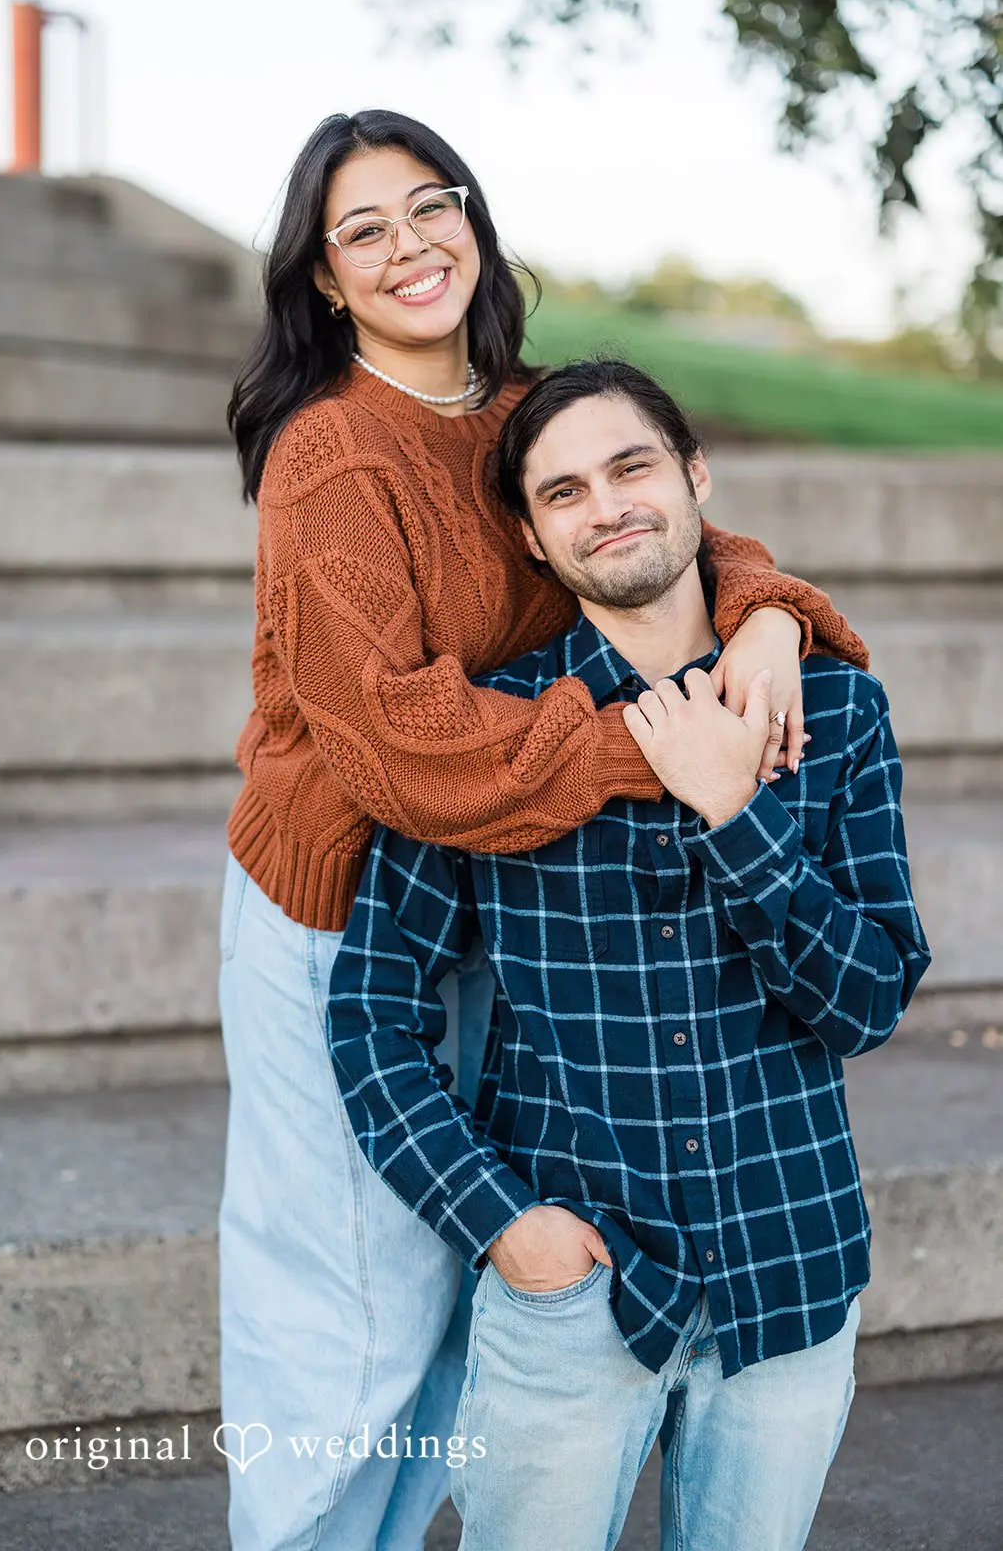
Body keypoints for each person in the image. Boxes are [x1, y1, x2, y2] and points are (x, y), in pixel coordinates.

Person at [220, 106, 871, 1551]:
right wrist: (668, 745)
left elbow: (663, 524)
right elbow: (399, 745)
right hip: (347, 892)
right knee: (351, 1325)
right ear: (323, 277)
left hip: (504, 877)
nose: (407, 246)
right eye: (361, 231)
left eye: (428, 205)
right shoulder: (330, 456)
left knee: (468, 1323)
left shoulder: (518, 411)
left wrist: (768, 613)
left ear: (471, 215)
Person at [327, 358, 931, 1551]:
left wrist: (734, 814)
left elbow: (864, 1000)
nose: (604, 507)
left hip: (788, 1266)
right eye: (562, 492)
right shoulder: (487, 739)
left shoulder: (833, 713)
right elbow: (369, 1012)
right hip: (574, 1290)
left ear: (694, 475)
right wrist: (505, 1224)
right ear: (530, 536)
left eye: (629, 467)